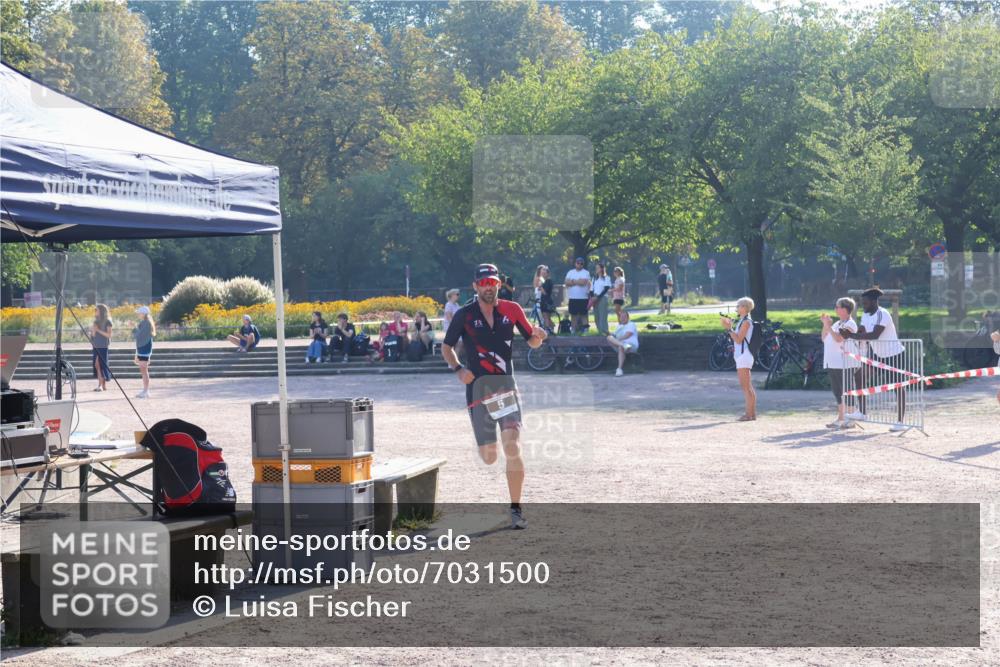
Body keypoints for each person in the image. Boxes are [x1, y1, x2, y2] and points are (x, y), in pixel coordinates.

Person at [442, 263, 547, 530]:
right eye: (484, 283)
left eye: (493, 283)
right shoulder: (464, 315)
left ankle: (515, 508)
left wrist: (538, 338)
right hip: (478, 390)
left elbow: (531, 340)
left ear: (499, 284)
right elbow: (447, 346)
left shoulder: (512, 310)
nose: (489, 287)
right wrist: (458, 369)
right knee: (489, 456)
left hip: (505, 386)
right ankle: (493, 441)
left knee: (512, 445)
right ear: (475, 286)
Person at [840, 287, 907, 431]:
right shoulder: (866, 315)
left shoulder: (883, 314)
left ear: (874, 302)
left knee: (898, 386)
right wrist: (849, 332)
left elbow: (874, 335)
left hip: (894, 354)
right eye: (862, 303)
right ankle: (862, 412)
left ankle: (900, 421)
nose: (863, 306)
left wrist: (851, 336)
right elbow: (863, 331)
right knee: (859, 376)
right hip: (877, 354)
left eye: (866, 303)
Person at [820, 298, 861, 429]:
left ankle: (851, 418)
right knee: (837, 391)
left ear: (845, 309)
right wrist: (825, 325)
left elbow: (838, 339)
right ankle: (841, 418)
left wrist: (828, 327)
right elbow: (824, 338)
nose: (835, 309)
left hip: (846, 363)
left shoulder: (851, 324)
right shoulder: (837, 323)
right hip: (833, 362)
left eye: (837, 307)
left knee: (847, 390)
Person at [721, 297, 757, 422]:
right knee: (748, 386)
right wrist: (730, 327)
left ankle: (749, 414)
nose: (737, 307)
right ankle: (751, 414)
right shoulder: (743, 321)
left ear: (744, 307)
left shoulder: (746, 322)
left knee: (746, 387)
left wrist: (729, 328)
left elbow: (738, 339)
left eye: (738, 306)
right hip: (743, 356)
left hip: (744, 356)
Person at [606, 310, 639, 377]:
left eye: (624, 317)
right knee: (609, 337)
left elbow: (628, 335)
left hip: (631, 345)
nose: (623, 318)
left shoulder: (631, 324)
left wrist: (617, 340)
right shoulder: (619, 326)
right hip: (622, 345)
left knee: (621, 347)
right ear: (619, 318)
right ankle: (623, 345)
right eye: (621, 317)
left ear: (628, 318)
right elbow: (614, 335)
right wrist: (610, 334)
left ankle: (619, 369)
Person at [132, 305, 156, 399]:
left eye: (139, 313)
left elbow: (139, 335)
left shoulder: (146, 323)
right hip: (143, 348)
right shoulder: (145, 322)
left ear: (143, 314)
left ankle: (146, 391)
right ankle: (145, 390)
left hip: (144, 348)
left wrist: (133, 328)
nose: (138, 314)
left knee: (144, 369)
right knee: (143, 370)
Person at [564, 257, 591, 333]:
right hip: (572, 297)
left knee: (583, 314)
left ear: (583, 264)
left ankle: (586, 330)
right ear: (575, 263)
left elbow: (584, 283)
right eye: (578, 263)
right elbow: (566, 282)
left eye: (581, 263)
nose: (579, 265)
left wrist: (572, 281)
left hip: (583, 298)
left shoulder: (586, 272)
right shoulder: (570, 272)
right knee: (573, 314)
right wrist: (577, 281)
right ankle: (573, 329)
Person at [91, 303, 113, 392]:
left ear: (101, 311)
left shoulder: (108, 321)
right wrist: (93, 330)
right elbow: (93, 335)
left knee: (100, 364)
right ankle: (102, 385)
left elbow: (109, 335)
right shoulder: (95, 321)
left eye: (96, 310)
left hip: (103, 346)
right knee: (97, 365)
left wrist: (98, 330)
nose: (95, 311)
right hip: (96, 345)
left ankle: (101, 385)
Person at [590, 262, 612, 336]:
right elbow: (591, 290)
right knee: (596, 316)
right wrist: (593, 297)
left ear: (602, 269)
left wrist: (598, 297)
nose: (596, 269)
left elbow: (606, 289)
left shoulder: (607, 278)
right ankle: (600, 332)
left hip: (602, 298)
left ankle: (605, 332)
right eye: (596, 268)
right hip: (595, 298)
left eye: (598, 267)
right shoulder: (594, 278)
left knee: (603, 316)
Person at [536, 265, 556, 332]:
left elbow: (545, 292)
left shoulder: (549, 281)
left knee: (546, 316)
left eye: (545, 272)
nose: (543, 274)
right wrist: (540, 284)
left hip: (547, 301)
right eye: (542, 272)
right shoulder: (543, 280)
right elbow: (538, 288)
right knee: (546, 317)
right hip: (543, 300)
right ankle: (551, 327)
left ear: (547, 273)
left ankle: (548, 329)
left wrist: (541, 286)